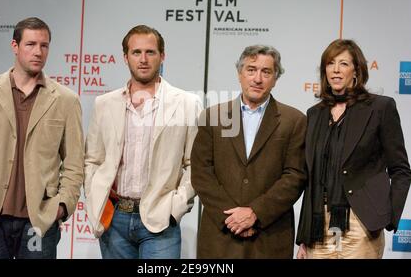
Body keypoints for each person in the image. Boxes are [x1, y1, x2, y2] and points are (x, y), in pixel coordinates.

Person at [0, 17, 84, 259]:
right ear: (14, 46)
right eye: (30, 44)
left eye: (44, 45)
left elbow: (74, 163)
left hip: (39, 221)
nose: (38, 52)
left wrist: (61, 206)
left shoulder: (66, 100)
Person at [84, 25, 202, 259]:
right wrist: (94, 195)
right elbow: (93, 159)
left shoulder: (187, 103)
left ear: (162, 56)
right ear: (125, 57)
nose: (143, 59)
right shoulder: (105, 104)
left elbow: (194, 164)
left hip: (160, 220)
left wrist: (175, 208)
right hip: (115, 218)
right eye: (136, 52)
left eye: (150, 52)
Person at [296, 39, 411, 259]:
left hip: (361, 224)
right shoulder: (314, 114)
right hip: (319, 225)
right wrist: (303, 238)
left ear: (356, 71)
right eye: (330, 64)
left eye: (343, 64)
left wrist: (387, 216)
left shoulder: (380, 107)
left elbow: (400, 170)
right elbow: (311, 179)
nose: (336, 70)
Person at [191, 45, 306, 258]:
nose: (257, 78)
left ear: (275, 78)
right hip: (220, 236)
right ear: (239, 74)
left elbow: (295, 176)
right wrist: (232, 219)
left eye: (266, 72)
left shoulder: (294, 121)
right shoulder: (213, 116)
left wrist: (256, 213)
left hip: (270, 236)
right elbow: (201, 173)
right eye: (251, 70)